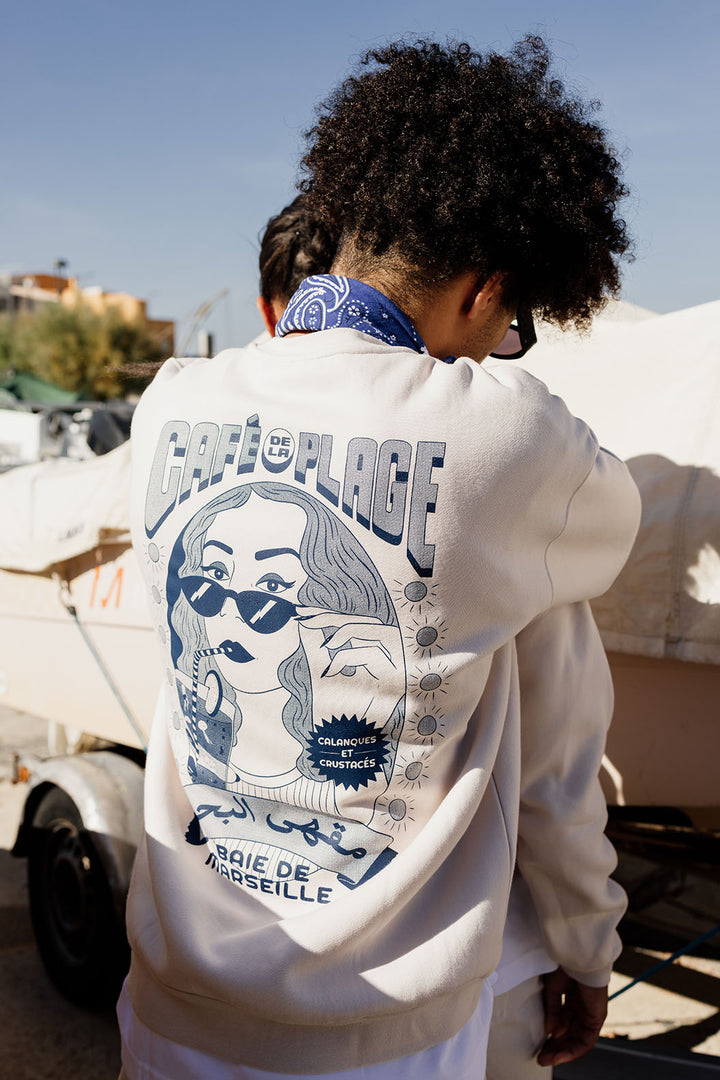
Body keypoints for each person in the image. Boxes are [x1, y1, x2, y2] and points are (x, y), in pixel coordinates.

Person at [122, 36, 641, 1079]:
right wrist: (590, 945)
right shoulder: (512, 441)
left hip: (172, 1008)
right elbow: (612, 545)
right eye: (511, 324)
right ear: (488, 286)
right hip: (377, 1043)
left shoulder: (172, 402)